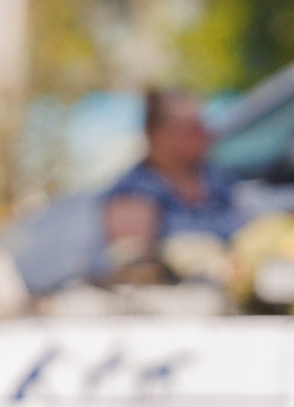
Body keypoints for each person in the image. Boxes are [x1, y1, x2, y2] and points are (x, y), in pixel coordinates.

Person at [99, 89, 242, 283]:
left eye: (203, 126)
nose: (204, 135)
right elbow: (132, 265)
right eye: (191, 129)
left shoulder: (217, 179)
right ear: (157, 134)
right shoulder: (134, 191)